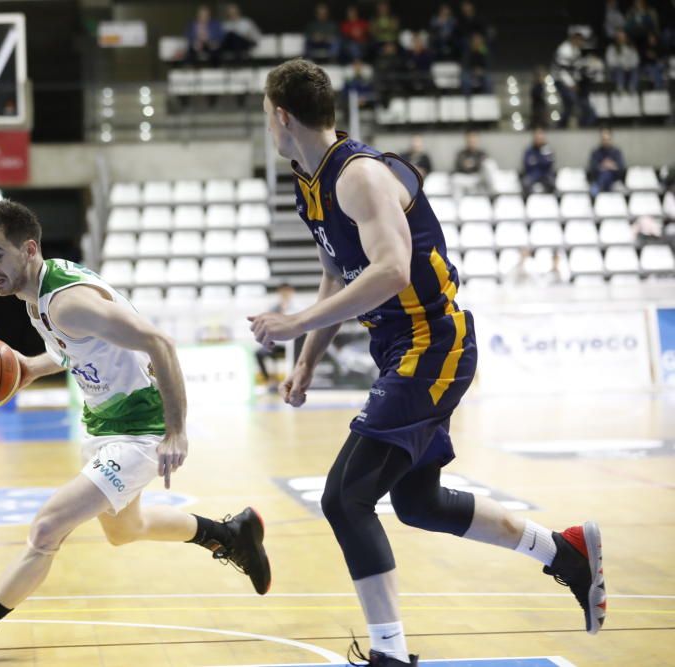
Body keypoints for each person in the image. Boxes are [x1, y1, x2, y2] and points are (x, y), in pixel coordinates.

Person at [250, 59, 605, 666]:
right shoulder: (306, 178)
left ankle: (390, 653)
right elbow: (339, 270)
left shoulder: (358, 176)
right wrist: (308, 358)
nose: (267, 123)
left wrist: (294, 324)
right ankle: (565, 552)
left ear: (281, 115)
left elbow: (390, 271)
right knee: (418, 504)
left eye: (265, 113)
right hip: (400, 346)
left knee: (344, 498)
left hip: (431, 341)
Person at [0, 200, 271, 665]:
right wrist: (29, 369)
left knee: (46, 529)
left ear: (29, 249)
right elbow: (75, 349)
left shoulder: (66, 302)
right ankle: (229, 534)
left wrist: (176, 432)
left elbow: (159, 342)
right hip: (104, 424)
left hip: (142, 429)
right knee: (126, 530)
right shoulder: (39, 292)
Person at [255, 282, 296, 389]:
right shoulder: (273, 308)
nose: (284, 294)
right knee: (259, 353)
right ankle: (269, 381)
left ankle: (294, 381)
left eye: (287, 292)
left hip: (293, 343)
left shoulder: (297, 307)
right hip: (277, 343)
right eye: (282, 292)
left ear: (291, 292)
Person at [451, 130, 497, 198]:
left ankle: (493, 194)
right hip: (466, 179)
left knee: (489, 164)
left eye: (474, 138)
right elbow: (461, 167)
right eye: (470, 138)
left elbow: (484, 168)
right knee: (455, 179)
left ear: (477, 140)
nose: (472, 140)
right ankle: (457, 207)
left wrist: (472, 164)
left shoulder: (482, 153)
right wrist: (475, 164)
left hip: (479, 178)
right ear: (466, 140)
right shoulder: (461, 154)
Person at [588, 127, 626, 197]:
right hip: (599, 177)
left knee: (607, 175)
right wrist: (605, 166)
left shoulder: (616, 152)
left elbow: (621, 167)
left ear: (611, 139)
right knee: (605, 175)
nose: (606, 141)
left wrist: (609, 166)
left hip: (614, 180)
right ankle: (604, 190)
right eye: (604, 139)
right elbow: (593, 168)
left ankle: (600, 188)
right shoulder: (596, 152)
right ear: (601, 139)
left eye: (607, 139)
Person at [521, 127, 556, 196]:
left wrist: (537, 160)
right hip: (532, 174)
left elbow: (549, 163)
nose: (539, 140)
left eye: (541, 138)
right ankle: (529, 201)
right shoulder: (529, 150)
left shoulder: (548, 149)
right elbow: (527, 164)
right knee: (525, 183)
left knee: (552, 183)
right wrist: (541, 160)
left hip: (546, 174)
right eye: (537, 138)